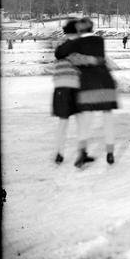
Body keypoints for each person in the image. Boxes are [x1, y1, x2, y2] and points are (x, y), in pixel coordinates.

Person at [55, 18, 119, 166]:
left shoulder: (76, 43)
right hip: (106, 83)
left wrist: (70, 44)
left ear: (79, 29)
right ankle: (110, 153)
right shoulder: (100, 40)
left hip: (88, 86)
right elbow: (102, 60)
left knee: (86, 121)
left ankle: (82, 152)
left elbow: (59, 53)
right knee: (108, 118)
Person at [52, 20, 85, 165]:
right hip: (74, 86)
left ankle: (59, 153)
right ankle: (81, 153)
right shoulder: (77, 45)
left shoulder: (60, 45)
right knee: (80, 120)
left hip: (61, 86)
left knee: (63, 122)